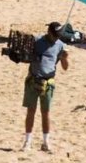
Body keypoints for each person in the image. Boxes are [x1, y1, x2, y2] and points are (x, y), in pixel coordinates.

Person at [23, 22, 68, 152]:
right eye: (55, 35)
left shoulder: (60, 46)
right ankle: (27, 141)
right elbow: (25, 57)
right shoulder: (37, 41)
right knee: (31, 111)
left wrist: (65, 59)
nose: (56, 38)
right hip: (33, 79)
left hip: (48, 82)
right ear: (49, 32)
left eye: (58, 35)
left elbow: (65, 68)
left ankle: (46, 142)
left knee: (46, 113)